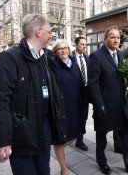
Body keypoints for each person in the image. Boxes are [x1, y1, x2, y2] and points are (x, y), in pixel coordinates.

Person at [0, 14, 66, 175]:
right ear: (38, 32)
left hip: (43, 128)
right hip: (21, 132)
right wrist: (3, 140)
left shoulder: (46, 57)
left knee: (44, 170)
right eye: (49, 30)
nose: (51, 34)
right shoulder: (10, 57)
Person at [88, 26, 128, 174]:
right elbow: (93, 84)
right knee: (102, 137)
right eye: (112, 37)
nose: (116, 40)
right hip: (105, 106)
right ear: (105, 39)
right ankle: (102, 162)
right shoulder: (96, 56)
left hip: (122, 105)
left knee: (127, 136)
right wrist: (99, 104)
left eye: (118, 37)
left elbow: (126, 80)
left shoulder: (121, 55)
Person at [52, 40, 85, 175]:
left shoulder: (74, 65)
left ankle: (60, 151)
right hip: (61, 108)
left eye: (65, 48)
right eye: (60, 49)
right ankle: (63, 168)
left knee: (76, 134)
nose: (64, 50)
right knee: (60, 139)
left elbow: (80, 85)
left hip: (75, 105)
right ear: (56, 51)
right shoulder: (53, 66)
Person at [71, 37, 89, 152]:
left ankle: (79, 140)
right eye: (82, 44)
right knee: (72, 115)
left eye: (85, 45)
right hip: (73, 91)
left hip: (85, 91)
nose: (84, 46)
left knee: (84, 115)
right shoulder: (70, 57)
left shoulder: (87, 58)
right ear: (76, 45)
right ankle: (69, 135)